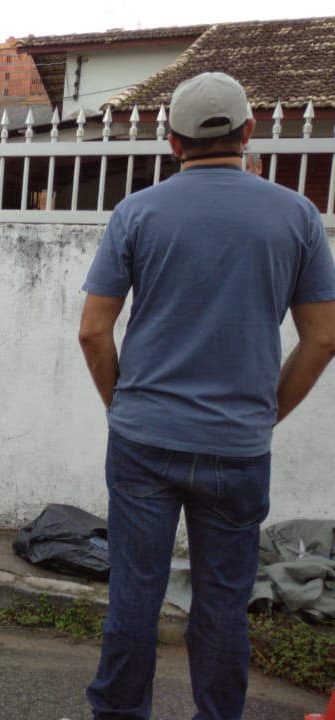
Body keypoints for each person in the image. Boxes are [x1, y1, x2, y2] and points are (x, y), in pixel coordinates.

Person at [77, 72, 335, 719]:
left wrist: (123, 405)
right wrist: (267, 414)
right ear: (250, 132)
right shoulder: (298, 215)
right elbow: (323, 339)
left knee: (135, 594)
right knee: (223, 603)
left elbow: (92, 331)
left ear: (171, 142)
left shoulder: (138, 213)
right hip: (238, 446)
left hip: (144, 438)